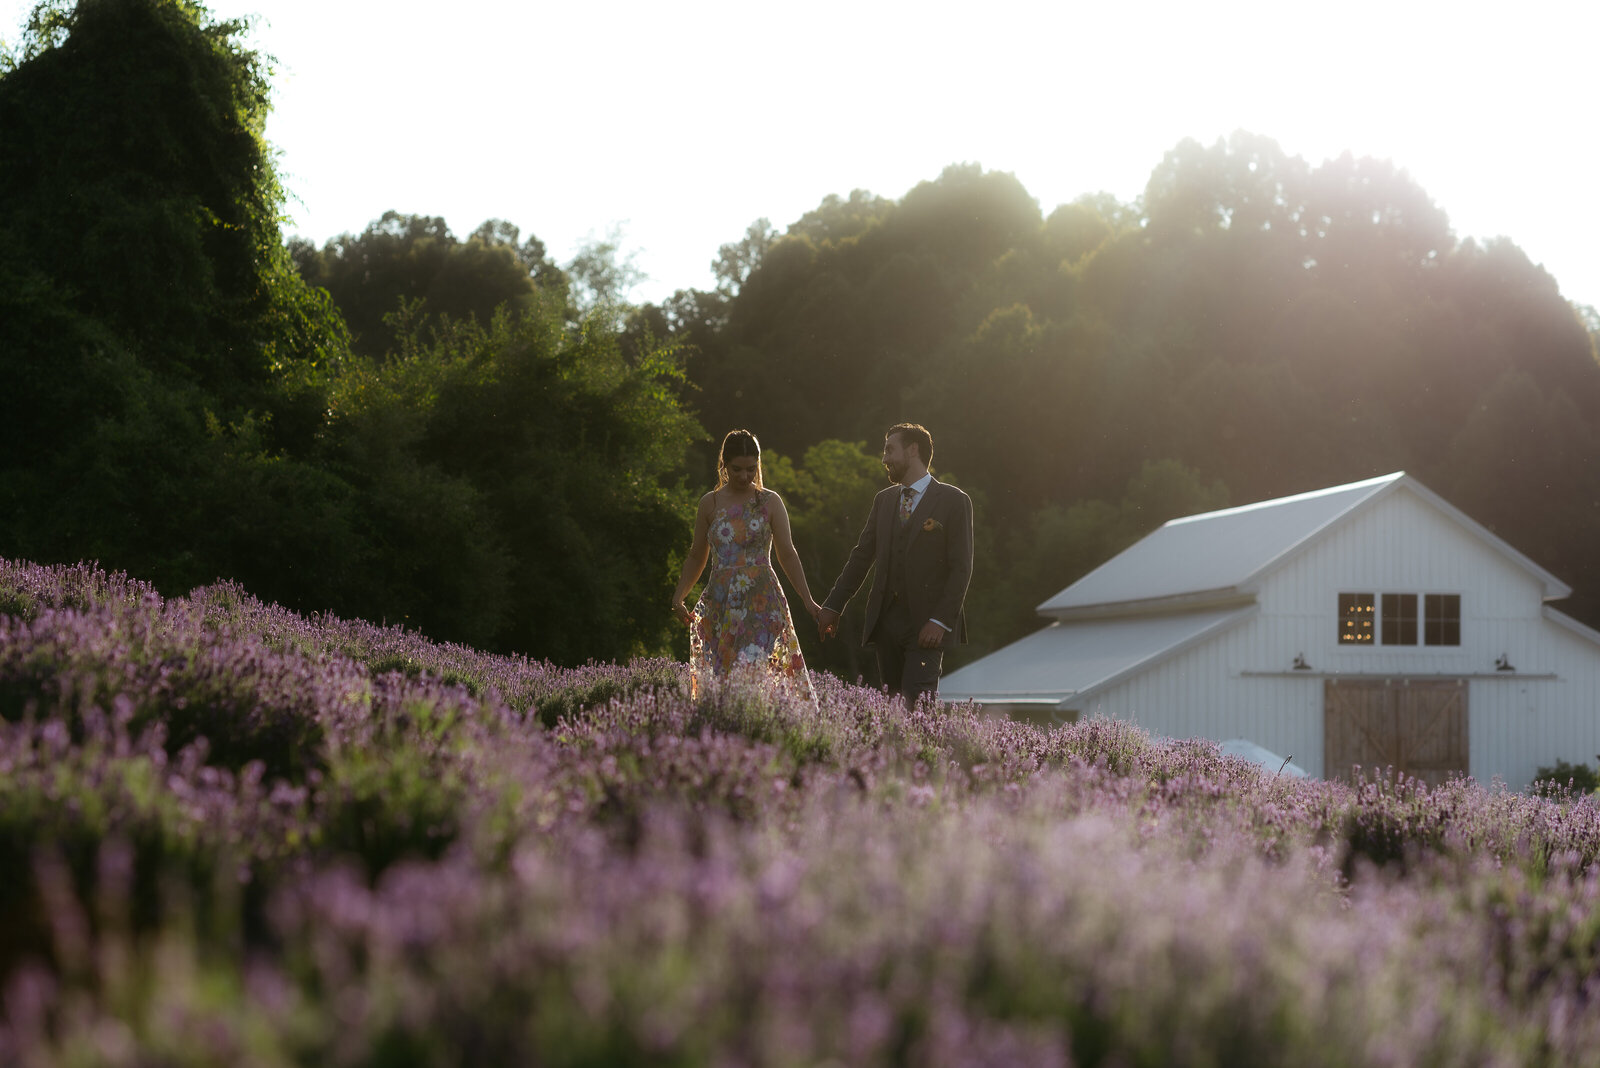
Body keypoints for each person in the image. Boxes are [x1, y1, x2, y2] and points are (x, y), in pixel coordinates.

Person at [816, 423, 973, 708]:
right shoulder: (884, 501)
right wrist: (833, 605)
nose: (884, 459)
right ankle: (895, 755)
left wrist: (939, 621)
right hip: (886, 623)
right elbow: (861, 556)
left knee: (917, 708)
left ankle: (922, 754)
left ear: (913, 450)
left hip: (926, 627)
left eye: (890, 450)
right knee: (892, 710)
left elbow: (961, 568)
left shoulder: (954, 501)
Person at [672, 429, 820, 700]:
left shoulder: (770, 501)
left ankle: (764, 734)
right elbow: (696, 556)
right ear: (724, 465)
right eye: (737, 469)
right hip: (720, 602)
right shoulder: (710, 503)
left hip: (761, 601)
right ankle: (727, 736)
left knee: (754, 675)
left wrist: (808, 601)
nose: (744, 476)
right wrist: (679, 595)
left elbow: (787, 553)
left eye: (751, 469)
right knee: (724, 682)